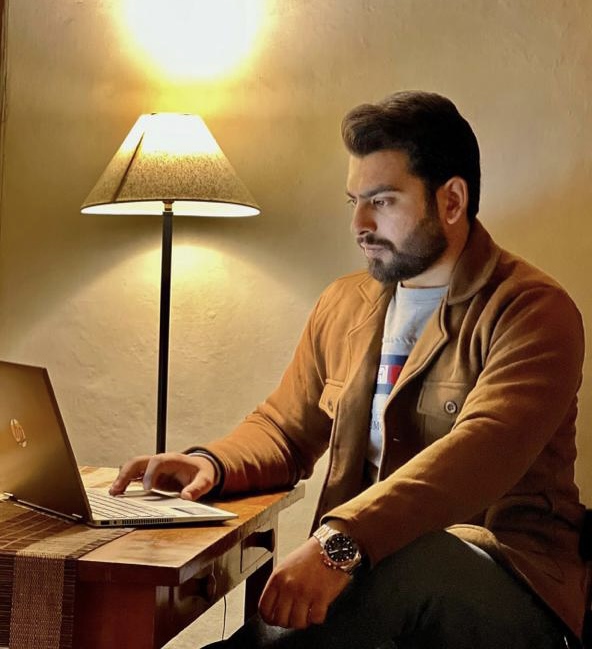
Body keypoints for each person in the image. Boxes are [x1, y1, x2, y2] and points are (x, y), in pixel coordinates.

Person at [112, 91, 586, 648]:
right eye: (354, 201)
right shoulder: (344, 304)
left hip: (510, 583)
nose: (360, 223)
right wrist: (209, 462)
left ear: (452, 200)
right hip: (374, 578)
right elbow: (284, 429)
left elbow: (478, 455)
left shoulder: (532, 310)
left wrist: (339, 542)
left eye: (382, 201)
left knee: (421, 555)